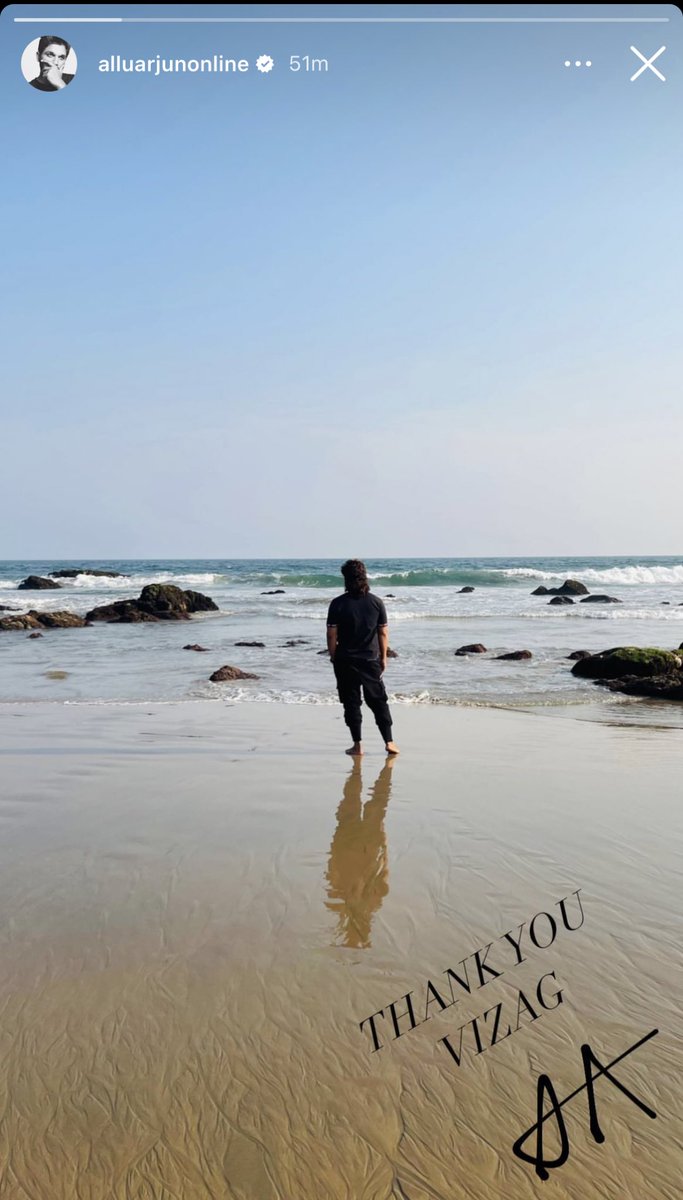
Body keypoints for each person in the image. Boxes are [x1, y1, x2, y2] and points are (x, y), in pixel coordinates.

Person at [326, 559, 399, 756]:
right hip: (370, 660)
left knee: (351, 703)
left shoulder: (337, 604)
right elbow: (383, 633)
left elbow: (332, 635)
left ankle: (357, 746)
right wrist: (383, 657)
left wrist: (334, 655)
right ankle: (389, 741)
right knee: (378, 701)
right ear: (364, 576)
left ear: (345, 578)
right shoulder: (376, 602)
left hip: (345, 660)